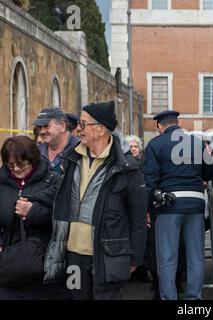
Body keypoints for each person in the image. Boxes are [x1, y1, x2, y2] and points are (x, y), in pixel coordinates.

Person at [43, 101, 148, 300]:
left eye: (83, 124)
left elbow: (138, 219)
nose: (78, 129)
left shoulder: (127, 169)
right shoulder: (71, 160)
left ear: (100, 130)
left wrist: (135, 257)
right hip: (73, 255)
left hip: (108, 255)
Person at [143, 110, 213, 300]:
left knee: (167, 258)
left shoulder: (155, 144)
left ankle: (169, 297)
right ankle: (194, 299)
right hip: (195, 204)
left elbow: (149, 180)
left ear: (160, 126)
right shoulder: (198, 143)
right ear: (178, 123)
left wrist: (148, 209)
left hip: (168, 206)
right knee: (196, 257)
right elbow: (211, 173)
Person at [0, 136, 61, 299]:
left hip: (43, 264)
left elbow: (64, 218)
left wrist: (33, 212)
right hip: (9, 264)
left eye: (21, 164)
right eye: (10, 165)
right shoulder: (2, 183)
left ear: (33, 160)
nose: (16, 169)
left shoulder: (53, 181)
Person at [32, 107, 79, 174]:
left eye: (46, 126)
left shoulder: (79, 150)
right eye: (39, 127)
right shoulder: (37, 152)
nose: (42, 131)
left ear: (62, 126)